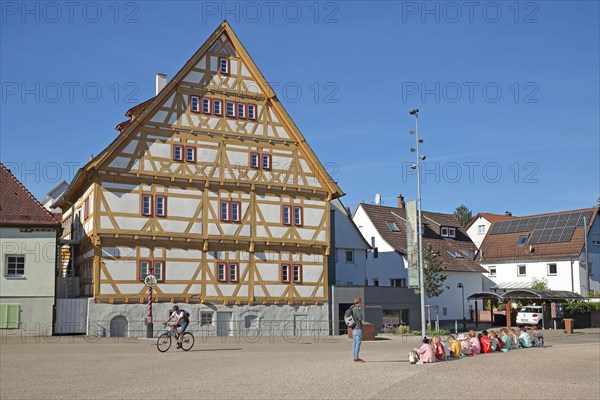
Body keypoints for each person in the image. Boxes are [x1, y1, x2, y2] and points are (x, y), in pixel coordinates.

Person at [350, 297, 365, 363]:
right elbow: (361, 318)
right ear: (358, 302)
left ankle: (355, 357)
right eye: (360, 302)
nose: (361, 303)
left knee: (354, 343)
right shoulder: (356, 309)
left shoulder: (352, 308)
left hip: (353, 328)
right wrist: (360, 310)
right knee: (358, 344)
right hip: (357, 328)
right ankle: (356, 358)